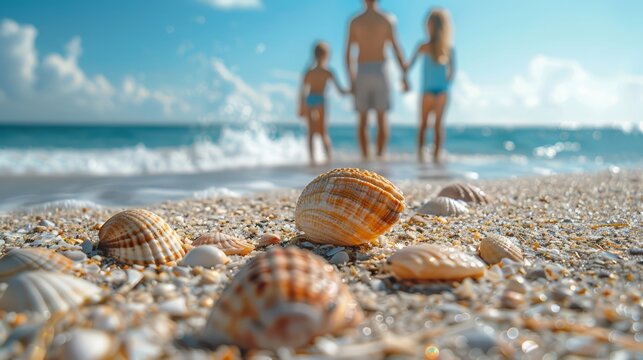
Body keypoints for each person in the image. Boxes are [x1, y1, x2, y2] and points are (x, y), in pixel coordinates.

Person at [345, 0, 408, 161]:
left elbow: (348, 54)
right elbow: (396, 48)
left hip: (362, 70)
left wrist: (351, 79)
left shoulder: (355, 21)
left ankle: (365, 159)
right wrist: (404, 75)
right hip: (381, 70)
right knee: (382, 118)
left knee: (363, 119)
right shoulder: (387, 19)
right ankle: (380, 158)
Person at [405, 8, 455, 163]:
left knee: (425, 126)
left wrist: (404, 79)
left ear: (432, 26)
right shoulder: (447, 48)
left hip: (430, 91)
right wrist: (445, 86)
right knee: (435, 126)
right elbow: (451, 72)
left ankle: (424, 157)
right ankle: (435, 158)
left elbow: (408, 66)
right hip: (441, 90)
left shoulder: (423, 46)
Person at [298, 41, 347, 165]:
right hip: (320, 99)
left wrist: (301, 107)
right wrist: (351, 91)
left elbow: (302, 91)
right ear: (326, 55)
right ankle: (329, 158)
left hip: (310, 99)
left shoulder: (309, 71)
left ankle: (312, 159)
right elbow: (340, 90)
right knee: (323, 132)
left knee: (311, 132)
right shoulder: (328, 72)